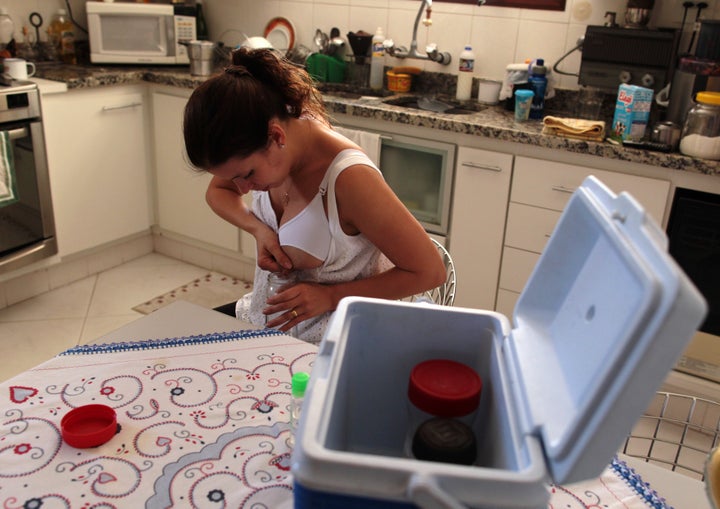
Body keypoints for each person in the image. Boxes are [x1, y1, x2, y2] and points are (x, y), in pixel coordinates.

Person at [183, 47, 446, 344]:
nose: (242, 189)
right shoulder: (256, 140)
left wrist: (331, 295)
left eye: (247, 176)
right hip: (263, 323)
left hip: (335, 343)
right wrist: (259, 230)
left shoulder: (350, 180)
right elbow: (218, 191)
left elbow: (430, 272)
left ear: (276, 137)